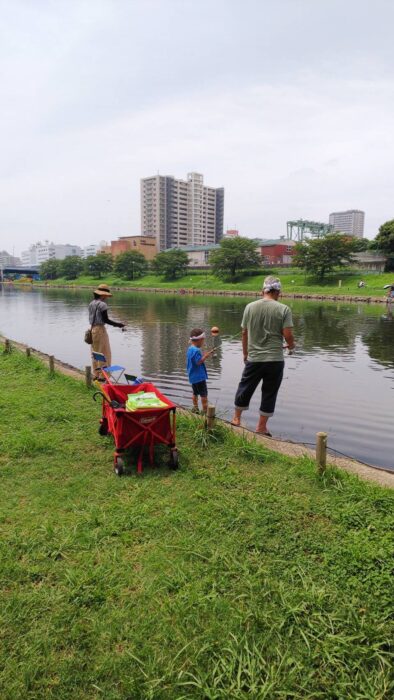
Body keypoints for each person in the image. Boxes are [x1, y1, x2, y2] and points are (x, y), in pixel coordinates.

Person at [231, 275, 295, 436]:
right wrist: (292, 346)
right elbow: (287, 334)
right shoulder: (284, 309)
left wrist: (245, 353)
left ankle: (236, 419)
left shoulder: (249, 307)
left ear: (263, 290)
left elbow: (244, 333)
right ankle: (261, 428)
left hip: (254, 358)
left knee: (245, 387)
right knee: (269, 392)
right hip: (275, 359)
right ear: (278, 291)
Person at [88, 284, 125, 380]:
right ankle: (103, 377)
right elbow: (106, 320)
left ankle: (96, 374)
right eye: (106, 295)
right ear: (103, 295)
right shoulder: (102, 304)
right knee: (105, 353)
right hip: (100, 330)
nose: (106, 297)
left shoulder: (91, 303)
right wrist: (118, 324)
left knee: (95, 353)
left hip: (92, 329)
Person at [186, 328, 214, 413]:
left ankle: (195, 408)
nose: (203, 343)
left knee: (195, 393)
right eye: (203, 341)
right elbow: (198, 362)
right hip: (199, 377)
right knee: (203, 395)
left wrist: (204, 355)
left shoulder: (190, 349)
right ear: (199, 340)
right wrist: (206, 356)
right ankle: (205, 412)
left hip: (193, 376)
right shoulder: (196, 350)